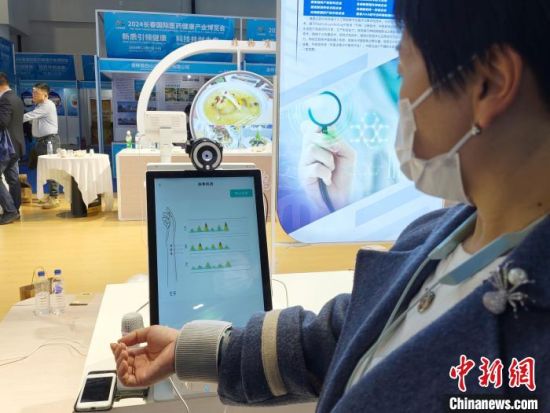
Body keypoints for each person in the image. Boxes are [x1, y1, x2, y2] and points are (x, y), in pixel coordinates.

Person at [111, 1, 550, 411]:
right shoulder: (440, 234)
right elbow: (344, 334)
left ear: (490, 83)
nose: (400, 98)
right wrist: (200, 349)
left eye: (402, 70)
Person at [23, 82, 60, 209]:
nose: (33, 95)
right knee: (45, 169)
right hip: (42, 141)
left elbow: (28, 116)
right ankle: (51, 195)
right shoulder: (40, 106)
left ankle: (54, 197)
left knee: (51, 168)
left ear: (45, 94)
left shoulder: (47, 105)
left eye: (36, 92)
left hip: (49, 141)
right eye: (33, 92)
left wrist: (12, 119)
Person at [0, 72, 23, 224]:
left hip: (6, 148)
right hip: (16, 146)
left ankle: (10, 211)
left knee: (12, 179)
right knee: (13, 179)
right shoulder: (16, 98)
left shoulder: (5, 99)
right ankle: (15, 210)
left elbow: (3, 122)